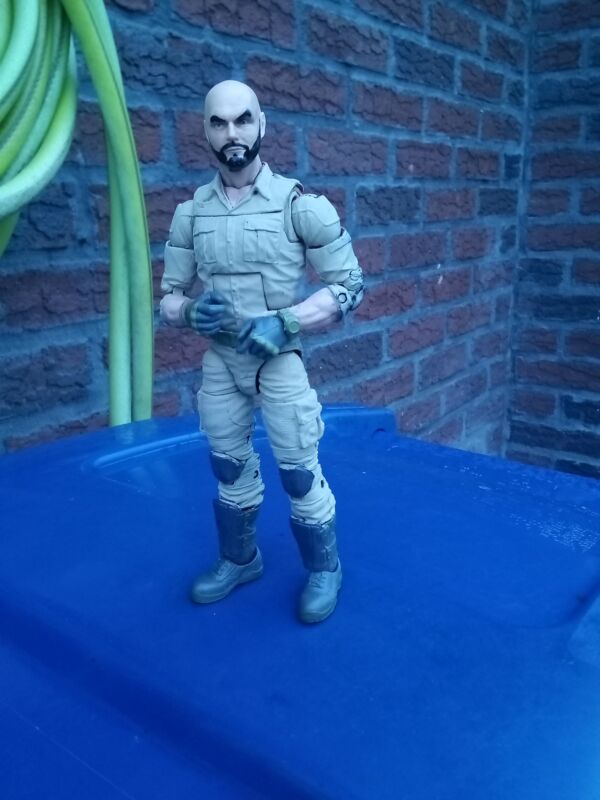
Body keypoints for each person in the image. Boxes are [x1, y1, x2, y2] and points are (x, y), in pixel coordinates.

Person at [159, 80, 364, 623]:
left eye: (242, 119)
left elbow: (349, 284)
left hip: (277, 360)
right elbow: (169, 297)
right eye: (219, 122)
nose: (232, 133)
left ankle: (324, 568)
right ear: (205, 131)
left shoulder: (300, 205)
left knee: (298, 471)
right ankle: (240, 559)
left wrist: (288, 321)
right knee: (228, 467)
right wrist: (189, 312)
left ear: (261, 124)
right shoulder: (191, 213)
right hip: (222, 361)